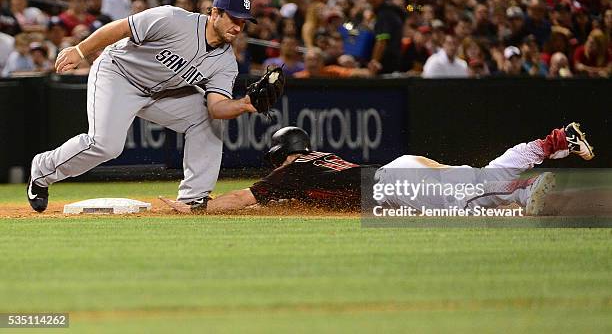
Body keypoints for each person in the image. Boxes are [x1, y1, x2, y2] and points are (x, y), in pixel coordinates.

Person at [27, 0, 260, 213]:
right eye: (234, 18)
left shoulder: (226, 62)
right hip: (118, 74)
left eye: (243, 22)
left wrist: (244, 104)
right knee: (106, 145)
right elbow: (121, 28)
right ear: (215, 12)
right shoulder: (173, 19)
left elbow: (216, 107)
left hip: (160, 92)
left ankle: (193, 199)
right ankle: (43, 170)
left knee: (206, 118)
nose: (238, 27)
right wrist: (80, 50)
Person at [161, 122, 594, 215]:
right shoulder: (318, 162)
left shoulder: (292, 171)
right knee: (478, 177)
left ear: (281, 156)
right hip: (400, 171)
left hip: (395, 182)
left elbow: (244, 197)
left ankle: (524, 190)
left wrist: (198, 208)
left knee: (464, 201)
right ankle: (551, 143)